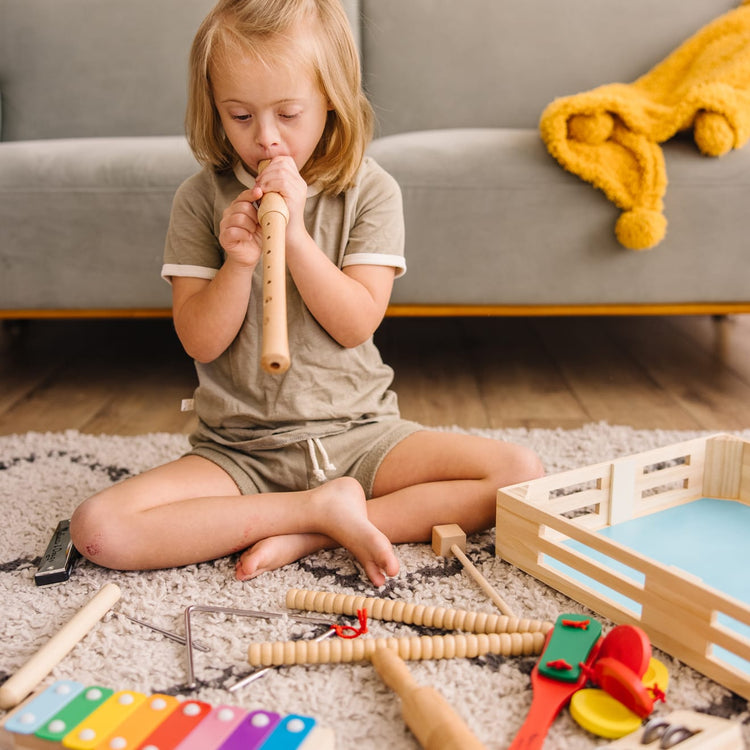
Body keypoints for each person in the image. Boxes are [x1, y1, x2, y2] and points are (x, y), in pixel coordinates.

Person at [70, 0, 544, 588]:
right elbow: (200, 339)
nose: (266, 139)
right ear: (214, 109)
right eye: (239, 115)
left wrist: (293, 235)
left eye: (288, 113)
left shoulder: (369, 190)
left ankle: (315, 531)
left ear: (331, 101)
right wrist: (238, 265)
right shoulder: (200, 198)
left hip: (360, 434)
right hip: (239, 451)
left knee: (519, 473)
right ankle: (313, 511)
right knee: (98, 528)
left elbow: (355, 324)